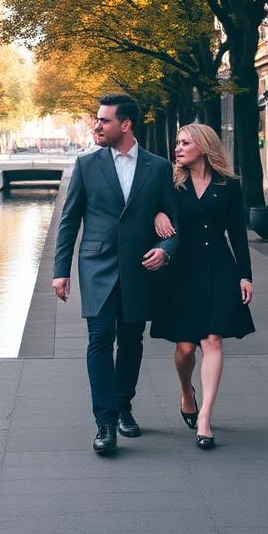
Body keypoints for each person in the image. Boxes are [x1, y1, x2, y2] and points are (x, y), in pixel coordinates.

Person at [53, 93, 180, 455]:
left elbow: (174, 221)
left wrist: (165, 249)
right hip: (97, 267)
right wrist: (60, 271)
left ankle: (124, 407)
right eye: (96, 120)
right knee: (99, 338)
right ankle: (105, 422)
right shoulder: (86, 165)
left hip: (139, 268)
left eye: (104, 120)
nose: (97, 125)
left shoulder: (157, 168)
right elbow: (69, 221)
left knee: (132, 342)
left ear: (126, 124)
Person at [151, 122, 254, 450]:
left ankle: (205, 417)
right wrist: (157, 216)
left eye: (184, 143)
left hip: (219, 268)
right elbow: (148, 210)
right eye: (177, 143)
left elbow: (238, 233)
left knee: (212, 339)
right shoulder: (169, 182)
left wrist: (245, 275)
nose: (177, 148)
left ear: (203, 146)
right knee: (184, 349)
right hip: (181, 270)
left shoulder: (229, 185)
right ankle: (187, 392)